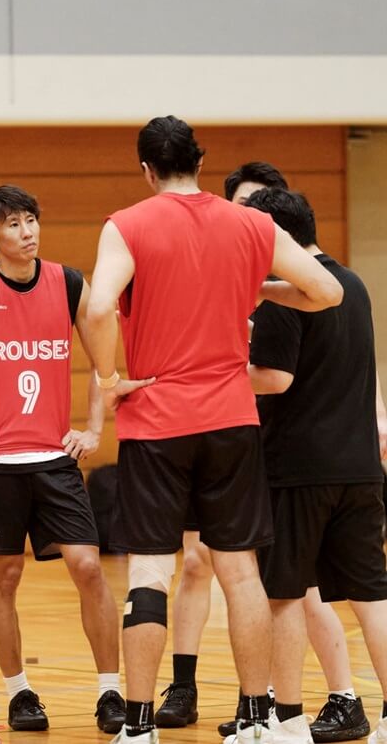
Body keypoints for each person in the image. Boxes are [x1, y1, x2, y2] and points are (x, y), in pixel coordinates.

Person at [86, 115, 343, 744]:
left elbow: (96, 307)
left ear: (146, 169)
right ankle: (256, 718)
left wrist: (109, 377)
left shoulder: (128, 224)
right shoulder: (253, 224)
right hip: (231, 419)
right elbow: (327, 291)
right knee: (241, 573)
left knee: (150, 573)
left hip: (155, 421)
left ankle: (138, 726)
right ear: (200, 162)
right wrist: (259, 287)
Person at [160, 162, 366, 744]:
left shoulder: (294, 286)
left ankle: (323, 698)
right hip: (230, 437)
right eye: (243, 207)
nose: (251, 218)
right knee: (203, 563)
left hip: (286, 449)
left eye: (261, 207)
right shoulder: (230, 274)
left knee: (292, 586)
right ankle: (196, 687)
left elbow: (296, 370)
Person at [0, 184, 124, 734]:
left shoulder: (68, 283)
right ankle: (19, 693)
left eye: (31, 219)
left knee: (88, 566)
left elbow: (104, 357)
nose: (27, 232)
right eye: (13, 224)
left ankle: (110, 691)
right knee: (3, 576)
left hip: (55, 461)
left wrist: (94, 428)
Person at [243, 187, 387, 744]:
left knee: (284, 594)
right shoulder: (352, 283)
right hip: (360, 468)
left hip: (300, 470)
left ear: (274, 235)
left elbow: (274, 379)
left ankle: (289, 721)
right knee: (372, 597)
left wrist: (217, 372)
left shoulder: (286, 294)